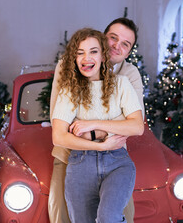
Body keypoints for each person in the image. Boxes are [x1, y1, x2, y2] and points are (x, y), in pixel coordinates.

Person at [49, 18, 145, 223]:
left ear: (128, 52)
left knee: (114, 216)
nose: (116, 46)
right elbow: (60, 127)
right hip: (71, 155)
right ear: (103, 39)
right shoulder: (68, 70)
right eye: (113, 38)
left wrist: (92, 128)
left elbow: (135, 123)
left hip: (115, 153)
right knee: (61, 214)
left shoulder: (127, 77)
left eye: (125, 44)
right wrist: (106, 132)